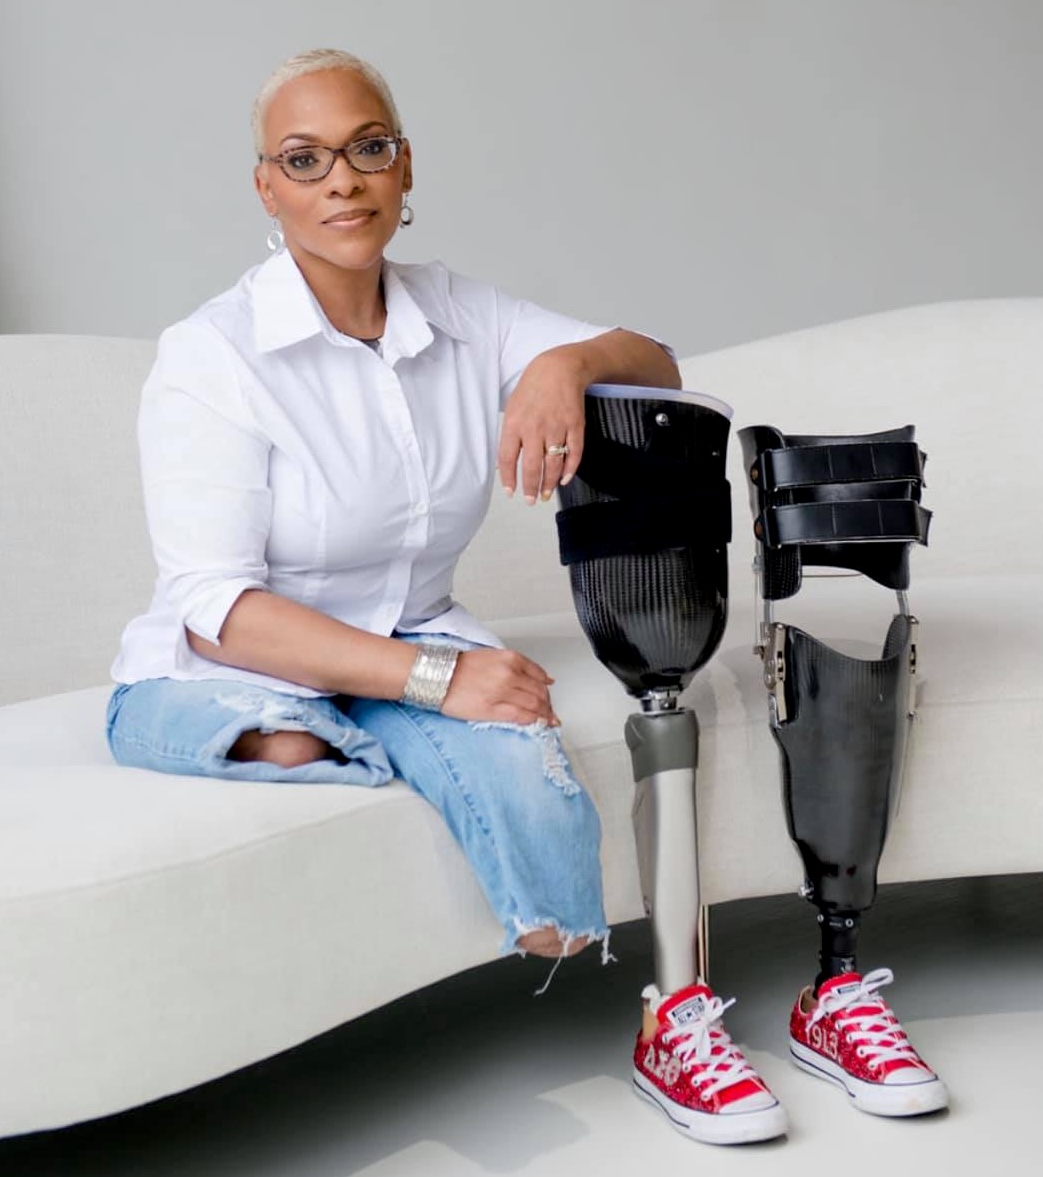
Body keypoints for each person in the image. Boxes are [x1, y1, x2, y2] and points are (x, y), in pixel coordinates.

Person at [106, 47, 677, 970]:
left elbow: (656, 359)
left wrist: (562, 364)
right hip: (225, 666)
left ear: (404, 166)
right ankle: (363, 728)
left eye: (367, 149)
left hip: (414, 631)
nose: (342, 180)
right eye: (305, 158)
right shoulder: (212, 354)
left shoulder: (457, 312)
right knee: (290, 748)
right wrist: (437, 684)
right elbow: (213, 610)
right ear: (267, 187)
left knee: (530, 777)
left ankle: (634, 992)